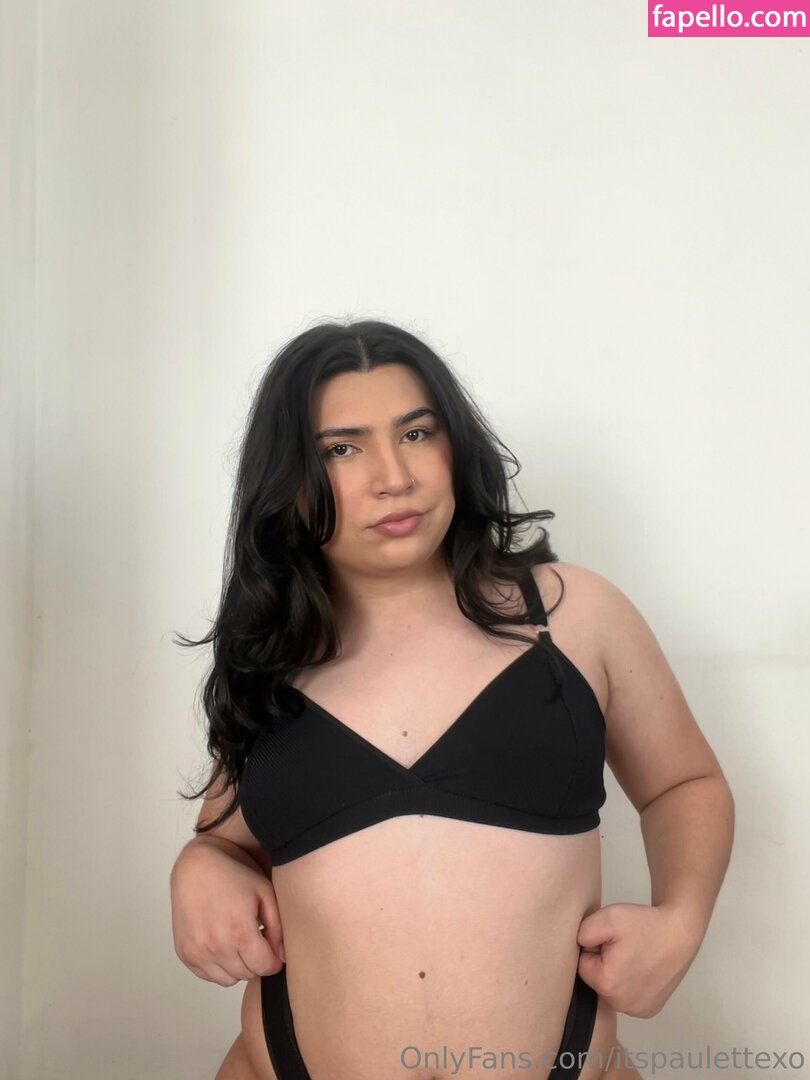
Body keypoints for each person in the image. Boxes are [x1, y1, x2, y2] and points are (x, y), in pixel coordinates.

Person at [169, 319, 735, 1080]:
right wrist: (196, 867)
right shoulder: (270, 663)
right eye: (342, 449)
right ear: (290, 482)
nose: (393, 477)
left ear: (455, 447)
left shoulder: (571, 617)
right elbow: (224, 842)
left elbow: (685, 784)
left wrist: (682, 920)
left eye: (416, 434)